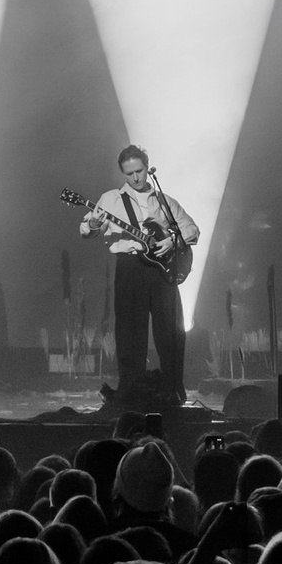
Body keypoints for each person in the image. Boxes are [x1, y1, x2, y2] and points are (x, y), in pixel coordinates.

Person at [79, 145, 202, 408]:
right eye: (129, 173)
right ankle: (130, 393)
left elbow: (192, 229)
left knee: (171, 332)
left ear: (148, 168)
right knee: (130, 334)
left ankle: (173, 391)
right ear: (123, 173)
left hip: (162, 272)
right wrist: (93, 224)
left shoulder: (164, 201)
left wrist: (172, 240)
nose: (136, 177)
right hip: (130, 269)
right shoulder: (111, 199)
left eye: (140, 171)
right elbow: (86, 231)